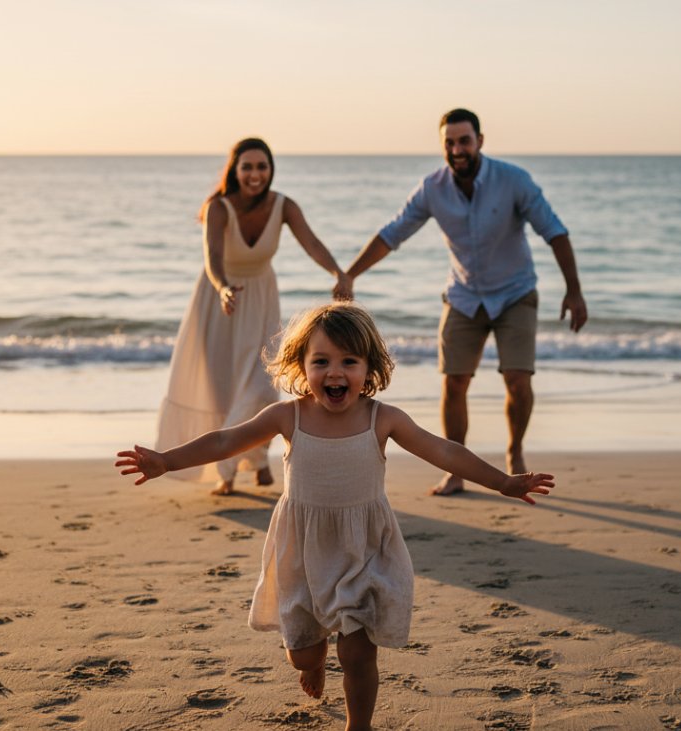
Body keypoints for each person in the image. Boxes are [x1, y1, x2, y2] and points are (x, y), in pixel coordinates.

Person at [118, 302, 555, 731]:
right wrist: (167, 461)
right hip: (303, 552)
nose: (335, 372)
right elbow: (224, 441)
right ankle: (315, 662)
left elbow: (443, 449)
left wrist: (502, 481)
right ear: (301, 366)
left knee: (360, 653)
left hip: (363, 549)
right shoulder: (287, 416)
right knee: (303, 654)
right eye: (321, 361)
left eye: (349, 361)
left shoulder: (383, 419)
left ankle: (357, 725)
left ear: (370, 369)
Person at [333, 108, 588, 497]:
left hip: (515, 293)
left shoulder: (514, 181)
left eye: (464, 141)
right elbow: (393, 233)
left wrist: (574, 290)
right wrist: (351, 274)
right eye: (449, 143)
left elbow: (555, 232)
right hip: (464, 296)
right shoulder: (432, 188)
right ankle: (456, 471)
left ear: (480, 142)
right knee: (454, 383)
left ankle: (515, 454)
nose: (457, 149)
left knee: (517, 381)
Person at [157, 138, 349, 496]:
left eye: (262, 166)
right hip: (220, 301)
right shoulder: (218, 207)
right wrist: (224, 288)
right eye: (247, 167)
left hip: (261, 299)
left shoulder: (284, 206)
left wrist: (338, 273)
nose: (255, 174)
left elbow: (312, 242)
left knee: (262, 385)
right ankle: (243, 467)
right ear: (235, 170)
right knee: (223, 387)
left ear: (270, 170)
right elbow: (212, 258)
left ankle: (243, 464)